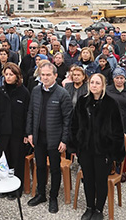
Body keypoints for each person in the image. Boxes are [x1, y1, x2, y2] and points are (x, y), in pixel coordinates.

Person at [71, 73, 125, 220]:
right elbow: (74, 124)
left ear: (103, 86)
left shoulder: (111, 103)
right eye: (92, 82)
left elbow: (118, 130)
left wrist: (114, 153)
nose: (94, 85)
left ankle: (99, 209)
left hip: (103, 151)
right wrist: (76, 146)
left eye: (97, 83)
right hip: (86, 149)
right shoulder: (82, 102)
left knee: (101, 181)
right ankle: (89, 206)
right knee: (88, 179)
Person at [26, 61, 73, 213]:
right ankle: (41, 194)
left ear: (55, 75)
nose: (45, 78)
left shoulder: (62, 94)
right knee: (39, 166)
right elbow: (31, 113)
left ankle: (53, 196)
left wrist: (64, 140)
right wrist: (30, 133)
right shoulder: (35, 91)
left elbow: (68, 120)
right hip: (38, 137)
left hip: (54, 139)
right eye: (43, 75)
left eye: (48, 75)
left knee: (54, 168)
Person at [0, 62, 29, 198]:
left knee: (17, 160)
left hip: (17, 132)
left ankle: (16, 189)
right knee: (4, 160)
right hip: (3, 132)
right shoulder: (0, 91)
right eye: (6, 74)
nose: (8, 77)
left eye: (11, 75)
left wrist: (26, 133)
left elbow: (27, 114)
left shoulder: (24, 92)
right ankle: (4, 186)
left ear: (17, 76)